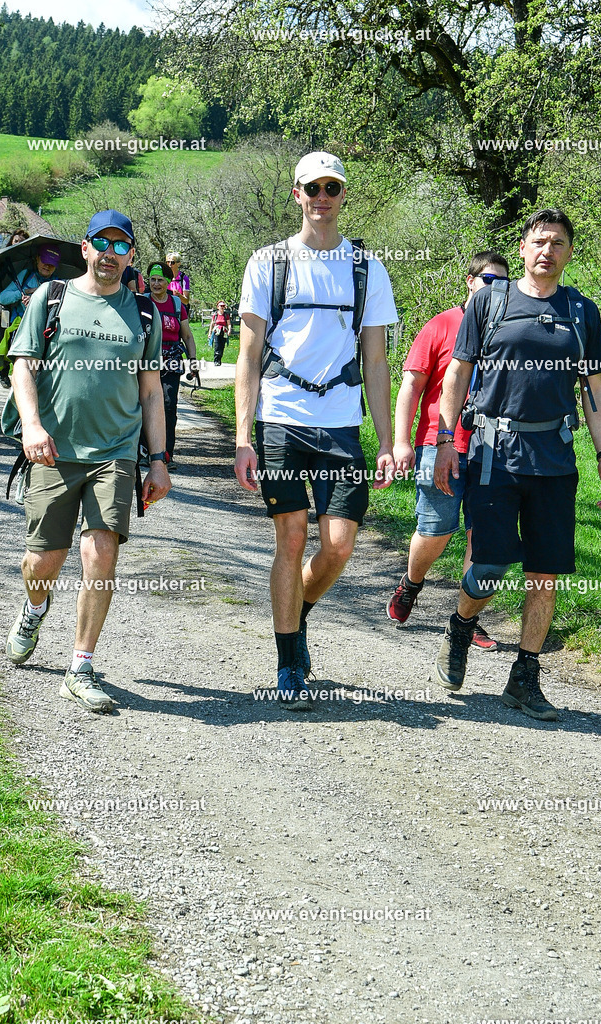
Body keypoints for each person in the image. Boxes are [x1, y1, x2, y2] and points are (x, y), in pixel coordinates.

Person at [433, 208, 601, 721]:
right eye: (539, 241)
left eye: (557, 243)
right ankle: (460, 626)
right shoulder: (490, 302)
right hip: (494, 455)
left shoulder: (581, 312)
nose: (547, 251)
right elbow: (458, 373)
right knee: (489, 567)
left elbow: (594, 389)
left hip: (555, 459)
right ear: (522, 248)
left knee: (544, 572)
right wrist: (445, 439)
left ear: (569, 252)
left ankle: (524, 677)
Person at [235, 151, 398, 709]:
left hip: (341, 424)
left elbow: (376, 362)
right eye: (313, 188)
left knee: (339, 547)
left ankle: (295, 615)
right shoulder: (268, 262)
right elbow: (248, 355)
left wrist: (388, 441)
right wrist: (242, 438)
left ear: (343, 194)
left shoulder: (368, 269)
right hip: (281, 418)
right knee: (291, 538)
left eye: (332, 187)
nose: (322, 197)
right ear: (297, 194)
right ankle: (288, 666)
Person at [5, 210, 170, 713]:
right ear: (85, 248)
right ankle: (36, 607)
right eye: (102, 243)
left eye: (121, 246)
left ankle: (80, 666)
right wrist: (32, 427)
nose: (110, 254)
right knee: (42, 562)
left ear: (131, 255)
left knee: (101, 555)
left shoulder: (144, 314)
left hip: (115, 455)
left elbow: (151, 393)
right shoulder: (51, 297)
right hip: (54, 450)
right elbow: (22, 367)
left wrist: (158, 460)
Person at [387, 251, 510, 653]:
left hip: (492, 450)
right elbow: (411, 386)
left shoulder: (509, 329)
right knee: (436, 531)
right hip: (439, 443)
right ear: (470, 281)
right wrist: (401, 441)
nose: (495, 288)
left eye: (503, 283)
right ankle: (411, 583)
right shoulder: (441, 325)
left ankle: (467, 619)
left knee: (483, 537)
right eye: (488, 280)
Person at [147, 260, 198, 465]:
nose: (156, 284)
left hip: (172, 362)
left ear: (168, 282)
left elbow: (188, 336)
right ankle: (144, 451)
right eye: (152, 279)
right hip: (146, 363)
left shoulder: (177, 305)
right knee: (143, 405)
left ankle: (166, 454)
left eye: (160, 280)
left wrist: (193, 361)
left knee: (168, 406)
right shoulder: (141, 302)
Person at [0, 242, 60, 389]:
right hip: (20, 326)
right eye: (45, 261)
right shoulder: (26, 275)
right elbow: (3, 298)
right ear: (37, 258)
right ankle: (9, 377)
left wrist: (38, 302)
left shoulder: (57, 283)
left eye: (52, 264)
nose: (47, 266)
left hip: (43, 329)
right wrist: (23, 294)